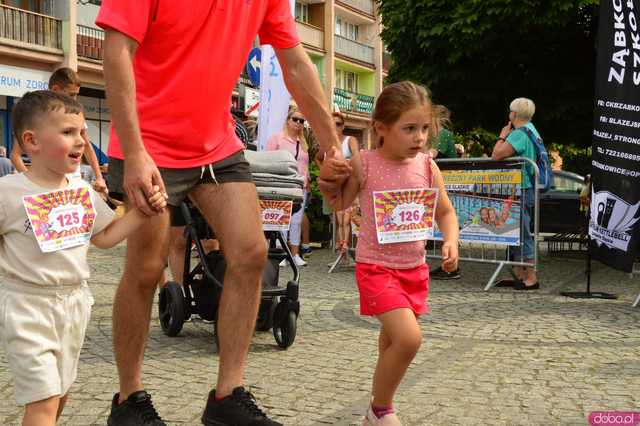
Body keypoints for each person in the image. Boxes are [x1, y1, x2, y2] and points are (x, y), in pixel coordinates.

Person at [96, 1, 349, 424]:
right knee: (145, 267)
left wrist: (331, 148)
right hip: (150, 141)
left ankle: (226, 397)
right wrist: (135, 151)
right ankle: (129, 400)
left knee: (251, 253)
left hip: (216, 143)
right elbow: (117, 48)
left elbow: (296, 65)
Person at [0, 91, 166, 426]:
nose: (80, 142)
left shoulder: (82, 192)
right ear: (31, 141)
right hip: (27, 305)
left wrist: (144, 212)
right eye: (67, 132)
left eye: (81, 132)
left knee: (60, 392)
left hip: (75, 304)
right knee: (44, 398)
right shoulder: (9, 192)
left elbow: (105, 237)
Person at [329, 81, 459, 425]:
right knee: (408, 339)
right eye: (409, 129)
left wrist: (451, 240)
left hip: (414, 270)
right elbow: (340, 201)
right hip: (375, 268)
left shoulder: (428, 167)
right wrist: (330, 178)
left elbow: (445, 212)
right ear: (382, 128)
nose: (419, 137)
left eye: (424, 129)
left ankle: (375, 411)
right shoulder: (366, 164)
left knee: (391, 343)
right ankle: (381, 409)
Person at [10, 68, 108, 196]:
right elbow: (15, 155)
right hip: (45, 187)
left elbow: (87, 145)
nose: (74, 98)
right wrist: (35, 187)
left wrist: (99, 177)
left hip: (73, 183)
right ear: (56, 89)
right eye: (71, 94)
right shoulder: (35, 113)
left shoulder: (76, 113)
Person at [492, 97, 540, 290]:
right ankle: (519, 273)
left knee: (522, 232)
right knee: (517, 230)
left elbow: (497, 154)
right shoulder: (532, 130)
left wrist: (502, 135)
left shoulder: (519, 133)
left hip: (522, 187)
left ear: (514, 114)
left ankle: (531, 275)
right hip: (523, 187)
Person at [266, 107, 310, 267]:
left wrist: (308, 182)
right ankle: (281, 254)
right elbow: (269, 160)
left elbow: (305, 165)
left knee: (296, 221)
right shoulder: (277, 138)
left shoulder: (303, 142)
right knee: (282, 220)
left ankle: (295, 253)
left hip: (300, 186)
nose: (298, 123)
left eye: (301, 121)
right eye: (295, 119)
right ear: (288, 120)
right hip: (283, 186)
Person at [428, 104, 461, 280]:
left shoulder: (443, 135)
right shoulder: (436, 135)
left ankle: (450, 265)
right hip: (443, 182)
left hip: (448, 183)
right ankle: (448, 264)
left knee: (447, 223)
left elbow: (430, 155)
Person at [333, 111, 360, 261]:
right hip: (337, 186)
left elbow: (357, 156)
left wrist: (346, 163)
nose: (335, 127)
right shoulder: (329, 143)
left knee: (346, 220)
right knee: (339, 220)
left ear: (343, 126)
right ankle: (342, 252)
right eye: (332, 124)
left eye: (338, 124)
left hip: (350, 185)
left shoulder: (350, 140)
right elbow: (319, 158)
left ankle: (345, 246)